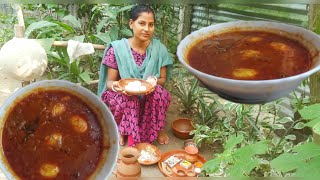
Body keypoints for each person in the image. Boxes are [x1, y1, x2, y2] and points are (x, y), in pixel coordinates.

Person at [97, 5, 173, 147]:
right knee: (129, 99)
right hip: (123, 93)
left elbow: (163, 80)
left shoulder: (159, 49)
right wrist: (117, 86)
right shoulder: (117, 49)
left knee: (160, 94)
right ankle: (122, 130)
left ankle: (158, 129)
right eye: (142, 23)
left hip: (148, 92)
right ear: (131, 24)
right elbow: (109, 83)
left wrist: (153, 82)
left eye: (151, 25)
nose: (147, 29)